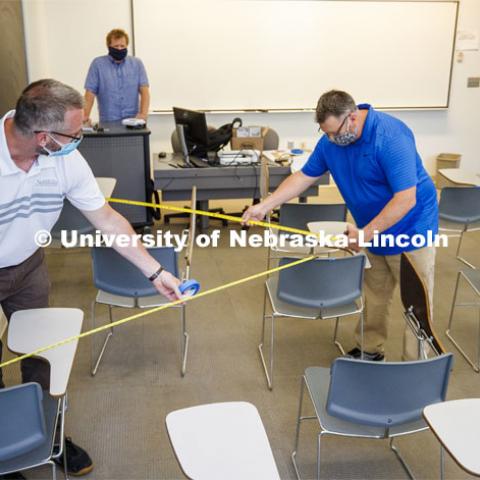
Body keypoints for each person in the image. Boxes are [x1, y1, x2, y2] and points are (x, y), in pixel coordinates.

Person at [0, 79, 181, 478]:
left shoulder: (62, 158)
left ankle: (50, 435)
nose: (80, 139)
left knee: (43, 356)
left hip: (28, 265)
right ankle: (5, 448)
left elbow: (107, 219)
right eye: (75, 133)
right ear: (44, 136)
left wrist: (155, 271)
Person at [243, 90, 438, 362]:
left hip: (412, 229)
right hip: (370, 229)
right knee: (375, 292)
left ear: (353, 117)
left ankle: (417, 366)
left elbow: (406, 199)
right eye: (326, 133)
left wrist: (365, 233)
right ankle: (370, 349)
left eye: (335, 133)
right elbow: (303, 177)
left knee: (415, 303)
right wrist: (265, 205)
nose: (331, 140)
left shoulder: (391, 137)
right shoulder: (331, 142)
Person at [83, 28, 150, 124]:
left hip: (133, 122)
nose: (119, 49)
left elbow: (145, 92)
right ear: (109, 46)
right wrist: (85, 117)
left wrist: (143, 114)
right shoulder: (98, 64)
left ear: (127, 46)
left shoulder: (137, 64)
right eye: (116, 46)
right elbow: (89, 94)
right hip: (108, 122)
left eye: (122, 46)